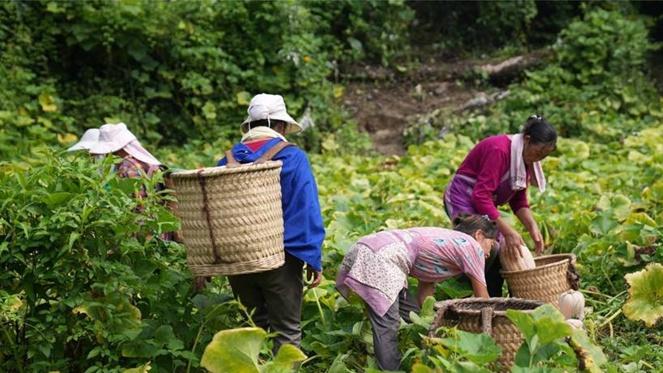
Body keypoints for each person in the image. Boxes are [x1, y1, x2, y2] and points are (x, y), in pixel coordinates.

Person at [214, 93, 325, 350]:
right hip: (280, 258)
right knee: (286, 333)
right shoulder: (293, 158)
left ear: (249, 126)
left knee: (253, 328)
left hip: (238, 259)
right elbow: (304, 208)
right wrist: (312, 257)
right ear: (282, 126)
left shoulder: (227, 161)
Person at [335, 214, 498, 371]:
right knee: (387, 325)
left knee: (411, 314)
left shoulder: (445, 244)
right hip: (383, 257)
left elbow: (424, 299)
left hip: (369, 247)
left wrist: (436, 326)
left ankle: (418, 361)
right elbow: (482, 300)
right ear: (479, 235)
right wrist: (496, 327)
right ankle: (391, 371)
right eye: (490, 245)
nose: (489, 253)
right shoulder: (470, 245)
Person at [444, 115, 557, 296]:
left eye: (543, 156)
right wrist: (508, 231)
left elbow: (518, 200)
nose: (538, 159)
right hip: (463, 197)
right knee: (479, 246)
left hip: (483, 201)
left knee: (503, 249)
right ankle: (468, 291)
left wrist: (532, 227)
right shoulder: (500, 150)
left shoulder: (526, 159)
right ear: (527, 140)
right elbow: (481, 195)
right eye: (538, 153)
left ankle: (495, 296)